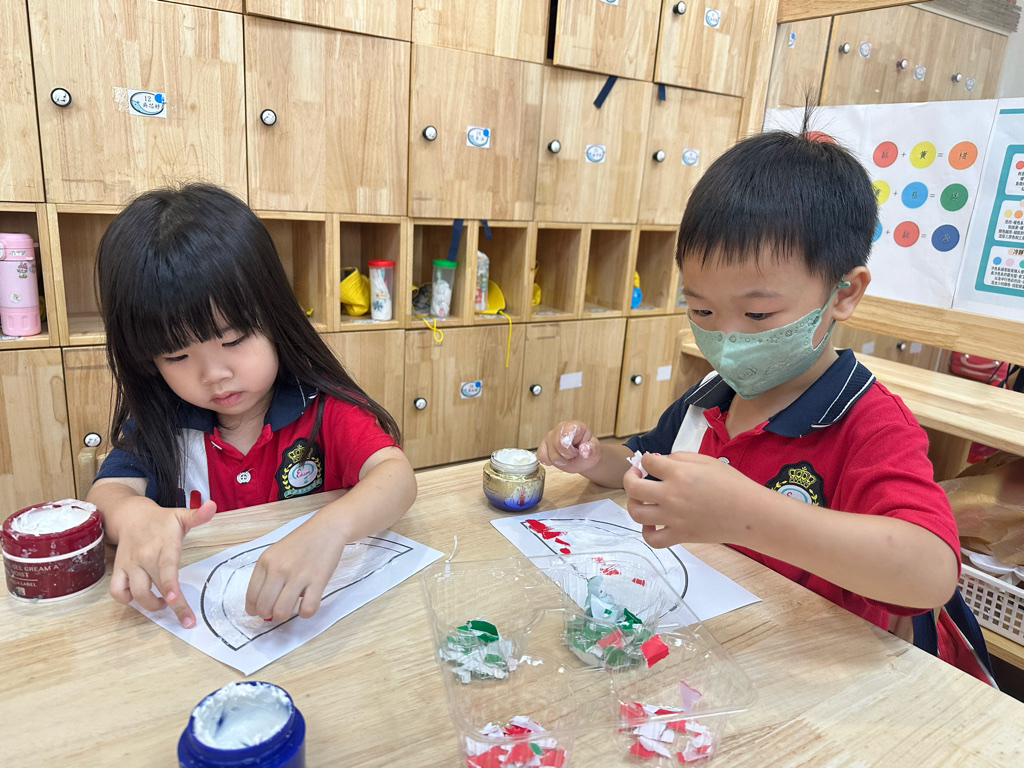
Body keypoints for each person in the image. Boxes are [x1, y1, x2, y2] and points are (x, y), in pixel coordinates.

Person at [537, 125, 963, 636]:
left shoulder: (870, 424)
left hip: (808, 659)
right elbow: (640, 461)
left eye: (758, 314)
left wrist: (746, 514)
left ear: (844, 293)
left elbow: (931, 574)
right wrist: (593, 459)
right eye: (702, 310)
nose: (728, 338)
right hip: (716, 634)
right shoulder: (710, 397)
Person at [88, 184, 417, 630]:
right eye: (177, 356)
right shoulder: (161, 423)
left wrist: (332, 527)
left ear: (276, 319)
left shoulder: (322, 410)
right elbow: (107, 493)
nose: (214, 374)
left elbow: (396, 477)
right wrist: (135, 517)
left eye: (234, 340)